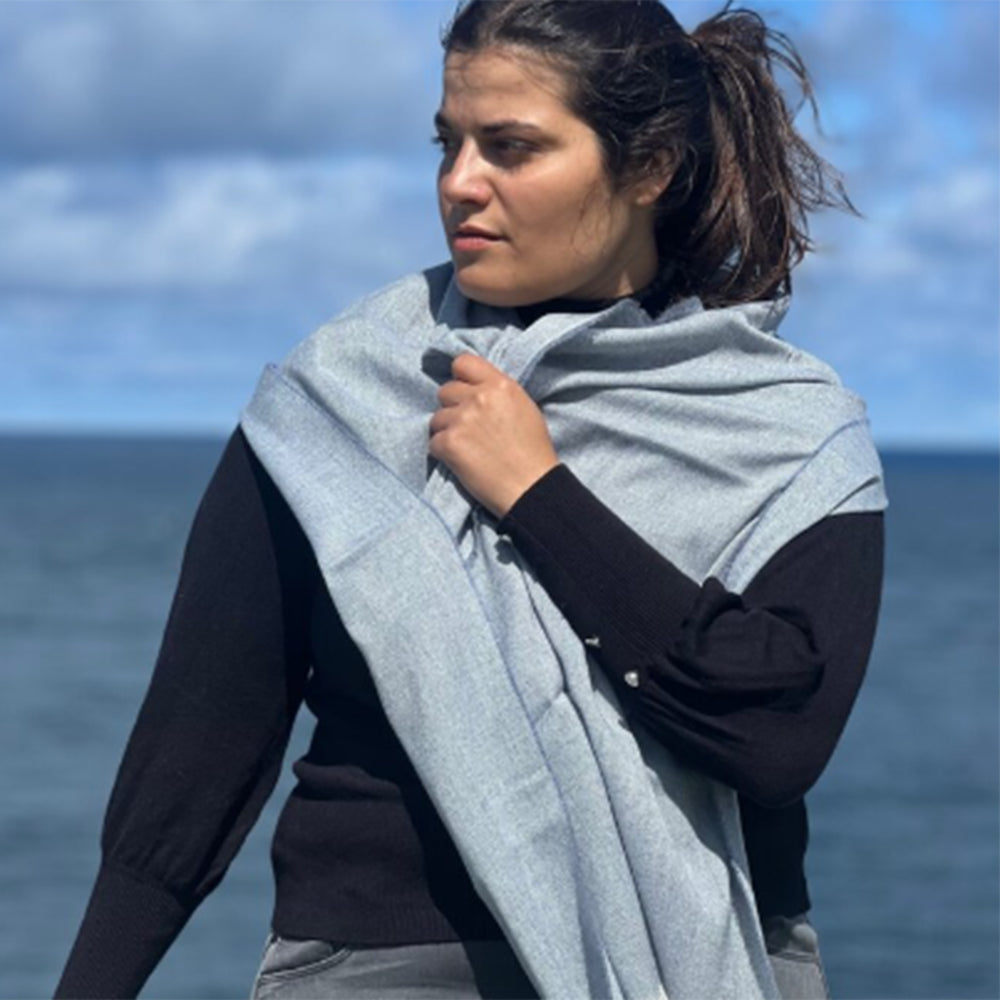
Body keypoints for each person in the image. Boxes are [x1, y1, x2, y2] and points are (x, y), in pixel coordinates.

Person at [56, 2, 885, 998]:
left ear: (650, 167)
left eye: (511, 147)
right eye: (446, 143)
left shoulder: (788, 433)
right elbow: (196, 756)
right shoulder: (340, 402)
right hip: (383, 963)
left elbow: (772, 735)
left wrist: (538, 495)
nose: (459, 184)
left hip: (719, 958)